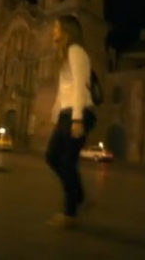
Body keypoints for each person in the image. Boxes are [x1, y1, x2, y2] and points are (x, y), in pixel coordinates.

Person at [45, 15, 96, 228]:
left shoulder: (76, 52)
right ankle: (77, 197)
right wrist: (55, 113)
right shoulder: (64, 54)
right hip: (67, 113)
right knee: (53, 157)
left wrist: (76, 119)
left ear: (67, 30)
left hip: (80, 112)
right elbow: (63, 90)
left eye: (56, 27)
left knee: (64, 160)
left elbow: (80, 87)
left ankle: (70, 212)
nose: (53, 31)